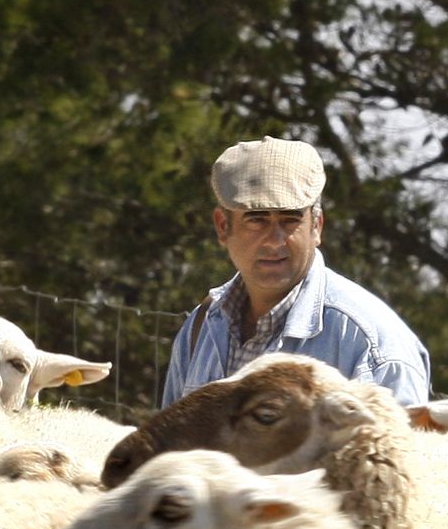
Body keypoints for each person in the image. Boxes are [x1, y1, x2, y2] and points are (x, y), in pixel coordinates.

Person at [162, 137, 431, 409]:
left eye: (290, 219)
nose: (274, 240)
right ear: (223, 227)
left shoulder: (369, 342)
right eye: (257, 219)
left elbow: (402, 450)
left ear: (316, 226)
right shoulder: (201, 327)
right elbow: (167, 448)